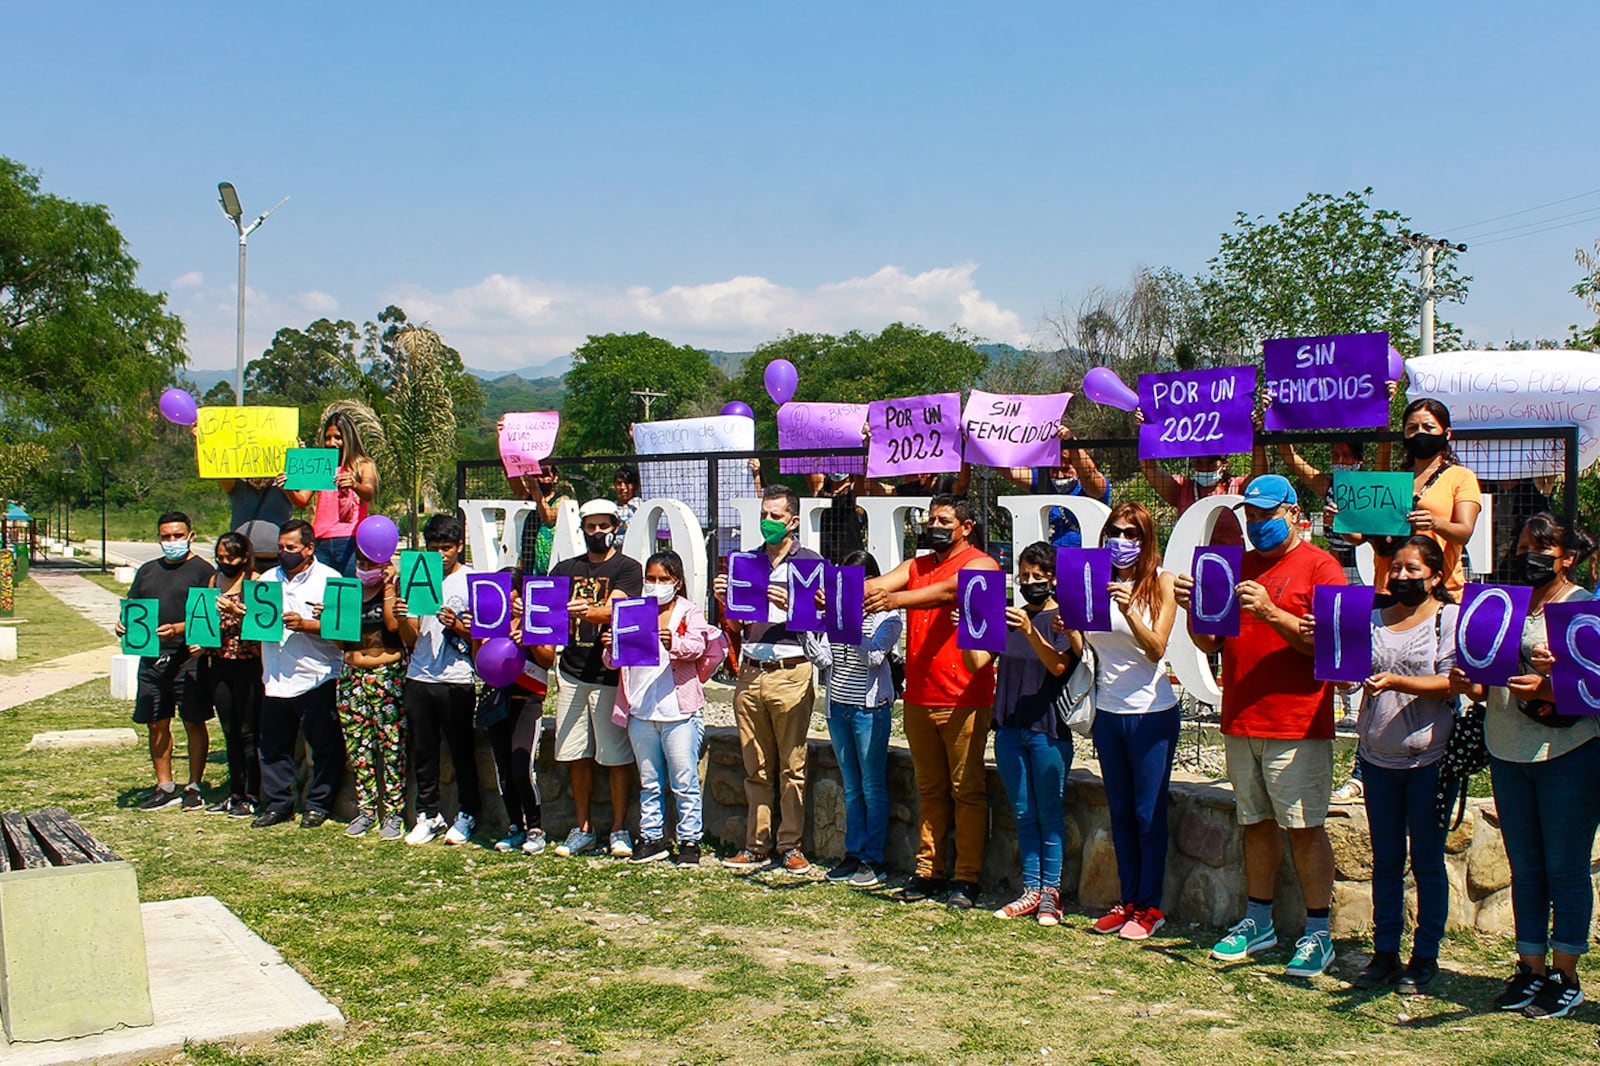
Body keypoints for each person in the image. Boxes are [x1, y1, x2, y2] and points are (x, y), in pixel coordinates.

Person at [1174, 475, 1345, 977]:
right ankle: (1258, 919)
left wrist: (1272, 613)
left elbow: (1330, 647)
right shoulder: (1235, 566)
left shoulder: (1322, 567)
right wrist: (1194, 610)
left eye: (1267, 514)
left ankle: (1318, 931)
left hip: (1297, 722)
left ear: (1293, 514)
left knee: (1304, 829)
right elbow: (1209, 643)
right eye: (1250, 515)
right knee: (1255, 823)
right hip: (1241, 717)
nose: (1257, 523)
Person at [1455, 513, 1600, 1019]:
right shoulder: (1504, 604)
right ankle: (1530, 968)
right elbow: (1485, 676)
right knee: (1526, 868)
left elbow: (1593, 686)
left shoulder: (1585, 609)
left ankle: (1566, 976)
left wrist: (1549, 687)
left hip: (1569, 754)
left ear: (1568, 557)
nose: (1527, 557)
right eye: (1521, 548)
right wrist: (1470, 681)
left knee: (1566, 867)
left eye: (1540, 549)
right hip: (1507, 749)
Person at [1306, 536, 1458, 994]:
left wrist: (1398, 682)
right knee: (1386, 860)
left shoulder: (1448, 620)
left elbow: (1453, 682)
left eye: (1413, 569)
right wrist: (1332, 656)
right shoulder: (1372, 619)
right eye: (1396, 569)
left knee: (1427, 861)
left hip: (1429, 760)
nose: (1402, 576)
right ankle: (1385, 952)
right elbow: (1350, 677)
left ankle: (1425, 955)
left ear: (1435, 575)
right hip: (1377, 759)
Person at [864, 494, 1000, 909]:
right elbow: (875, 586)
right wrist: (830, 594)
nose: (935, 526)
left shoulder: (982, 565)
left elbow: (950, 591)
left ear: (966, 527)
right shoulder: (916, 565)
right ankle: (928, 871)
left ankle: (967, 877)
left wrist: (896, 600)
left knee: (966, 791)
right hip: (919, 696)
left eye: (944, 520)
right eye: (931, 520)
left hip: (964, 697)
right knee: (931, 789)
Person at [1077, 502, 1180, 941]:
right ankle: (1128, 900)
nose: (1121, 540)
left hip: (1151, 713)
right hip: (1108, 712)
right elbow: (1088, 646)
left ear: (1145, 539)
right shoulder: (1093, 580)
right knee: (1120, 813)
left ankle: (1150, 906)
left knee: (1147, 813)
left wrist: (1131, 610)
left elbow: (1157, 649)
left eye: (1131, 533)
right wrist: (1069, 626)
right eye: (1115, 532)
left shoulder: (1161, 582)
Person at [964, 541, 1078, 925]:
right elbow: (977, 662)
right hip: (1010, 730)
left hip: (1048, 731)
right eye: (1024, 575)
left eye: (1037, 576)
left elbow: (1058, 665)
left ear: (1053, 579)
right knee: (1024, 813)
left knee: (1050, 814)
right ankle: (1030, 890)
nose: (1029, 582)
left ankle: (1051, 894)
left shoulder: (1063, 620)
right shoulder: (1010, 617)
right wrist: (969, 628)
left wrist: (1031, 632)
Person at [714, 485, 824, 874]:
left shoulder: (811, 563)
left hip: (791, 669)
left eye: (776, 516)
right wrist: (726, 600)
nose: (768, 521)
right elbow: (735, 625)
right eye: (764, 514)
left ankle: (790, 845)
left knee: (792, 765)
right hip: (750, 670)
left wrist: (792, 604)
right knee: (756, 767)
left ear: (793, 521)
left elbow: (824, 620)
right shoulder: (747, 561)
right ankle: (756, 845)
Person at [604, 551, 718, 867]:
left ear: (677, 582)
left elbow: (698, 646)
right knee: (649, 781)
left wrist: (674, 643)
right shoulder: (632, 610)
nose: (656, 585)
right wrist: (610, 646)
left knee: (684, 781)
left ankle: (690, 840)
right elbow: (614, 660)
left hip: (679, 713)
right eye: (651, 579)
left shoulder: (689, 611)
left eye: (663, 579)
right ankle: (652, 837)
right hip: (641, 710)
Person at [801, 550, 902, 889]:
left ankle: (873, 859)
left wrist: (847, 621)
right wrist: (806, 629)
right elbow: (824, 659)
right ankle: (853, 852)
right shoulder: (836, 613)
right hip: (838, 707)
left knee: (872, 786)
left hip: (868, 710)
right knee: (852, 787)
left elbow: (873, 656)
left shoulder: (889, 617)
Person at [549, 499, 642, 858]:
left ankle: (619, 829)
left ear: (616, 528)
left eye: (604, 526)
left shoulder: (628, 568)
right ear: (582, 529)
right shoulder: (564, 568)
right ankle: (583, 827)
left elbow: (617, 608)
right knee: (576, 754)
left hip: (608, 675)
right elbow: (547, 611)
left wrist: (587, 610)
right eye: (591, 526)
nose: (598, 532)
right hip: (571, 671)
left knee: (615, 755)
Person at [250, 519, 347, 828]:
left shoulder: (330, 579)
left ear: (309, 548)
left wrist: (306, 625)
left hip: (317, 675)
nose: (284, 553)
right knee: (273, 747)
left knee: (323, 746)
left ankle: (318, 804)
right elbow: (258, 624)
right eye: (280, 547)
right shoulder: (267, 580)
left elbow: (343, 631)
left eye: (291, 547)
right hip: (276, 677)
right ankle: (279, 804)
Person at [1331, 399, 1481, 597]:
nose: (1420, 433)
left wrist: (1435, 523)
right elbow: (1362, 537)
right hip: (1389, 590)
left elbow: (1464, 532)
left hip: (1440, 591)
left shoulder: (1461, 477)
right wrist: (1342, 522)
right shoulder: (1393, 481)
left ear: (1447, 433)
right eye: (1412, 428)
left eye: (1428, 427)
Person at [120, 512, 215, 812]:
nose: (172, 541)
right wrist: (124, 625)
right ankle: (165, 785)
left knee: (193, 720)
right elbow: (133, 607)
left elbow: (210, 615)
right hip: (151, 657)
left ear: (191, 536)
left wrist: (179, 629)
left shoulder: (204, 571)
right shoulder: (147, 570)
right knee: (156, 722)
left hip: (188, 658)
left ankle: (194, 784)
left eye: (178, 535)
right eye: (166, 536)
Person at [396, 514, 482, 846]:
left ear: (459, 546)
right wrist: (402, 618)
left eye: (447, 548)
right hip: (419, 675)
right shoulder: (417, 576)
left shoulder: (471, 580)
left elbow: (484, 634)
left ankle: (467, 812)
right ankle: (428, 814)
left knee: (461, 750)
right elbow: (410, 638)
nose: (441, 555)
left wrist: (456, 626)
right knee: (424, 751)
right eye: (434, 548)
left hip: (457, 677)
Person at [334, 546, 408, 840]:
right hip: (352, 674)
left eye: (372, 563)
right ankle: (366, 810)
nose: (365, 568)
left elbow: (393, 625)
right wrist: (330, 617)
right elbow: (340, 642)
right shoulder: (347, 591)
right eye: (361, 563)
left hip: (386, 674)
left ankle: (394, 812)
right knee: (358, 747)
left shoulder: (396, 588)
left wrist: (389, 586)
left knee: (392, 745)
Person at [483, 570, 556, 857]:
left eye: (510, 589)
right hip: (497, 700)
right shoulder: (490, 618)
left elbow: (547, 660)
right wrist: (481, 636)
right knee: (503, 770)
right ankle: (515, 825)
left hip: (527, 700)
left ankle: (536, 828)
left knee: (520, 767)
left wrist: (529, 637)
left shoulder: (538, 615)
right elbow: (480, 659)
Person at [193, 531, 262, 817]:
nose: (224, 563)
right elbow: (206, 621)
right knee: (230, 730)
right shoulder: (214, 581)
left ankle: (253, 793)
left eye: (230, 558)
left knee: (249, 731)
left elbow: (262, 627)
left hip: (249, 663)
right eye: (220, 558)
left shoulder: (255, 583)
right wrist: (201, 642)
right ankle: (235, 791)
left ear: (244, 558)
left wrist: (236, 610)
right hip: (220, 663)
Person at [285, 408, 379, 577]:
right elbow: (302, 500)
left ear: (348, 438)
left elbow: (369, 492)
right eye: (328, 438)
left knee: (349, 588)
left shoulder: (363, 465)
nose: (332, 442)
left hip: (350, 540)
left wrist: (354, 484)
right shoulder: (321, 465)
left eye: (337, 437)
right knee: (322, 589)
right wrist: (287, 487)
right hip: (321, 539)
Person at [1000, 427, 1112, 549]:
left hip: (1088, 556)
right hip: (1053, 557)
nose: (1060, 475)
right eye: (1054, 469)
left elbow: (1089, 473)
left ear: (1077, 467)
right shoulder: (1043, 482)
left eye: (1066, 469)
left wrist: (1072, 442)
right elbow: (1009, 472)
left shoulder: (1093, 487)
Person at [1141, 450, 1266, 547]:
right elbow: (1149, 468)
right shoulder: (1182, 488)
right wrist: (1146, 432)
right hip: (1190, 562)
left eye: (1211, 463)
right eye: (1199, 462)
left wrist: (1257, 440)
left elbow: (1260, 476)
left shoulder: (1237, 486)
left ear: (1224, 465)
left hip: (1235, 561)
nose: (1204, 468)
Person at [805, 472, 868, 563]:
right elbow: (809, 468)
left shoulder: (855, 491)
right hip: (824, 556)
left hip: (851, 558)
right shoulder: (820, 488)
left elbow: (861, 474)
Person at [219, 475, 293, 532]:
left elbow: (299, 501)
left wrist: (287, 487)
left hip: (278, 545)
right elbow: (222, 471)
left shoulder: (284, 487)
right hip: (241, 545)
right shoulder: (237, 487)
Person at [614, 464, 641, 537]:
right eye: (619, 483)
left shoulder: (641, 507)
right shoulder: (611, 508)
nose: (623, 487)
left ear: (635, 485)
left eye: (627, 483)